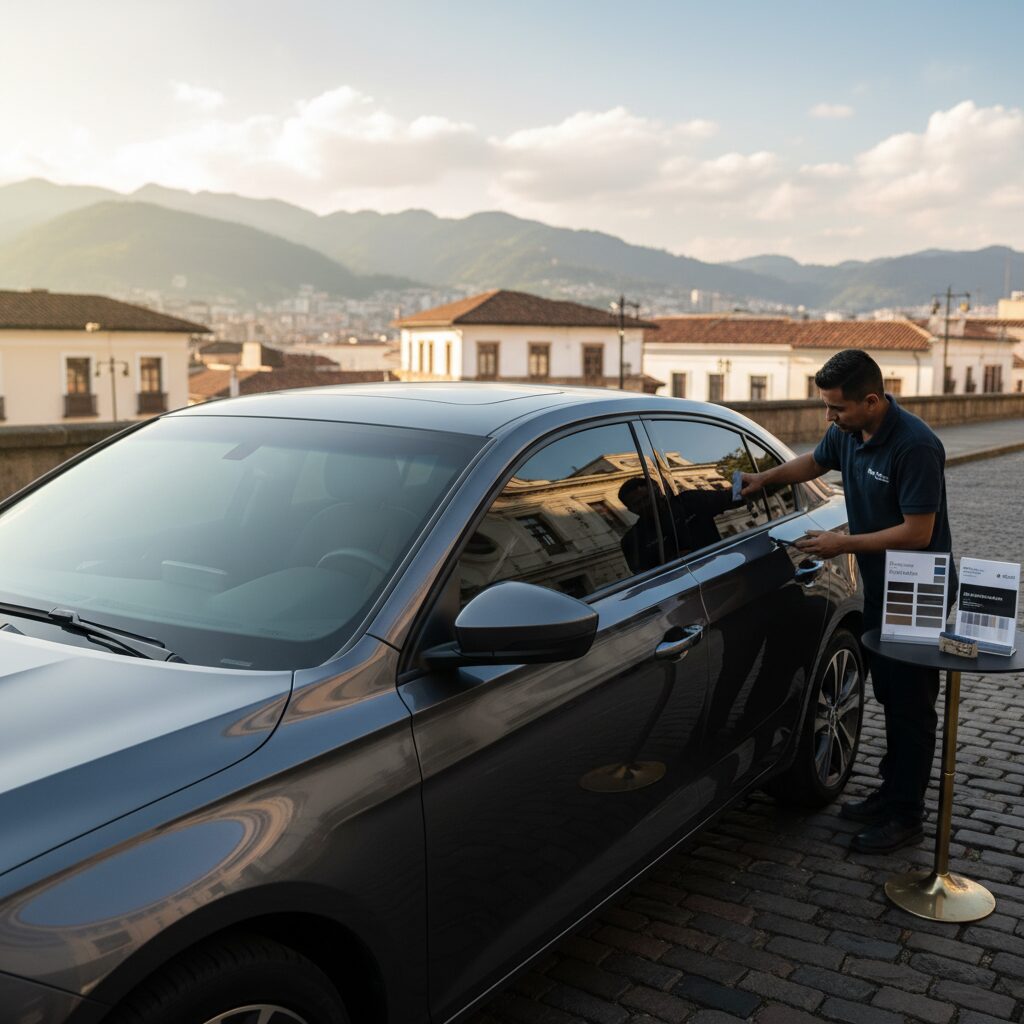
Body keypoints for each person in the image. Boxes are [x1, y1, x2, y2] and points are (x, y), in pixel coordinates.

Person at [740, 349, 955, 854]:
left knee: (911, 705)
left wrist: (842, 544)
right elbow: (814, 462)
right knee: (888, 694)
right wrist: (765, 479)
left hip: (916, 588)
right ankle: (890, 792)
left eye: (836, 408)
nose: (828, 417)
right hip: (880, 584)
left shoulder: (916, 446)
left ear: (872, 401)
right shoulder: (847, 432)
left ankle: (907, 815)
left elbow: (918, 532)